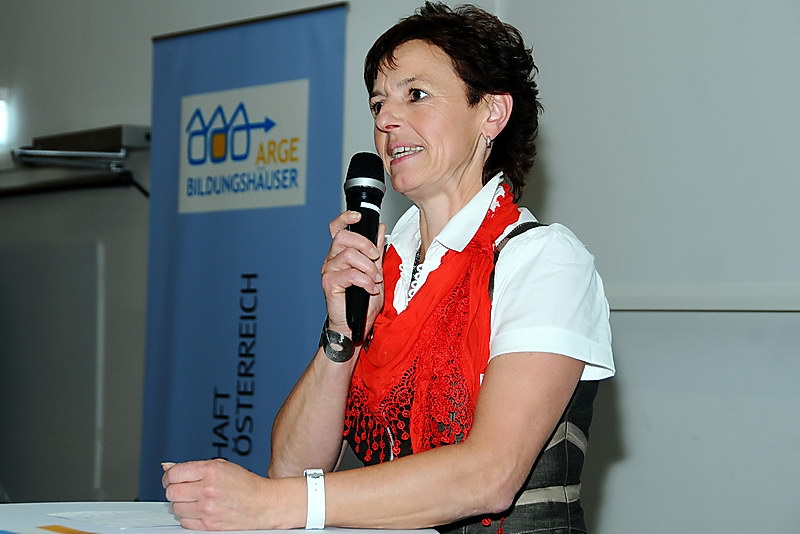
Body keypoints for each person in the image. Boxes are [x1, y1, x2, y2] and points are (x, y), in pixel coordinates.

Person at [162, 3, 614, 532]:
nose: (384, 120)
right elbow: (290, 472)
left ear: (491, 112)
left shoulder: (542, 259)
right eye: (378, 103)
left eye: (415, 95)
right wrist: (342, 333)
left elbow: (491, 475)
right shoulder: (384, 264)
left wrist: (270, 503)